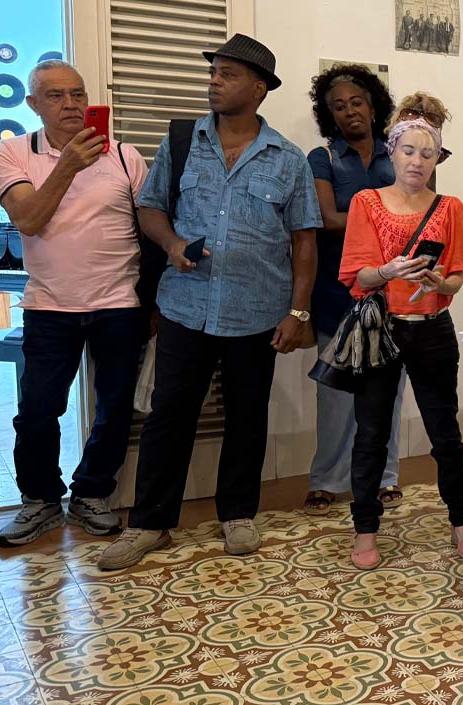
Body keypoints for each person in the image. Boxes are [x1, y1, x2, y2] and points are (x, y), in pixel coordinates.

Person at [97, 34, 321, 570]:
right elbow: (150, 208)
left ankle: (239, 514)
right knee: (168, 416)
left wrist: (298, 312)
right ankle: (150, 523)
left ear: (260, 88)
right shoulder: (181, 142)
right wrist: (172, 244)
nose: (214, 81)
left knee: (247, 415)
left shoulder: (288, 159)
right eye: (214, 72)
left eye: (228, 74)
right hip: (185, 306)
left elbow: (304, 240)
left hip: (256, 310)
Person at [0, 60, 148, 545]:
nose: (70, 105)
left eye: (78, 95)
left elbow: (149, 229)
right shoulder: (13, 153)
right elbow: (28, 220)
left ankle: (91, 493)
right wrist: (68, 165)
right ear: (34, 104)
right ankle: (40, 500)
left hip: (119, 305)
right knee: (39, 409)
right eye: (57, 96)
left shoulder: (126, 157)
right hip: (49, 307)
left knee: (115, 408)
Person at [338, 117, 463, 569]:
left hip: (433, 326)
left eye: (427, 152)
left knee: (445, 431)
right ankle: (365, 527)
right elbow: (358, 275)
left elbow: (458, 276)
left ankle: (462, 519)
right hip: (383, 327)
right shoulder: (366, 202)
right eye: (408, 151)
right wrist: (388, 271)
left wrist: (442, 280)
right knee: (372, 431)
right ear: (391, 153)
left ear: (437, 158)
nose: (417, 160)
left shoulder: (450, 207)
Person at [303, 64, 404, 516]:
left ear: (373, 104)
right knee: (336, 394)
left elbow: (422, 216)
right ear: (329, 116)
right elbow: (326, 219)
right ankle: (327, 479)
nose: (349, 113)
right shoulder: (321, 158)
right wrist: (387, 220)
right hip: (337, 291)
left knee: (389, 390)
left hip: (394, 292)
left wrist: (366, 224)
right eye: (338, 107)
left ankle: (386, 477)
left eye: (356, 102)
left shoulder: (402, 153)